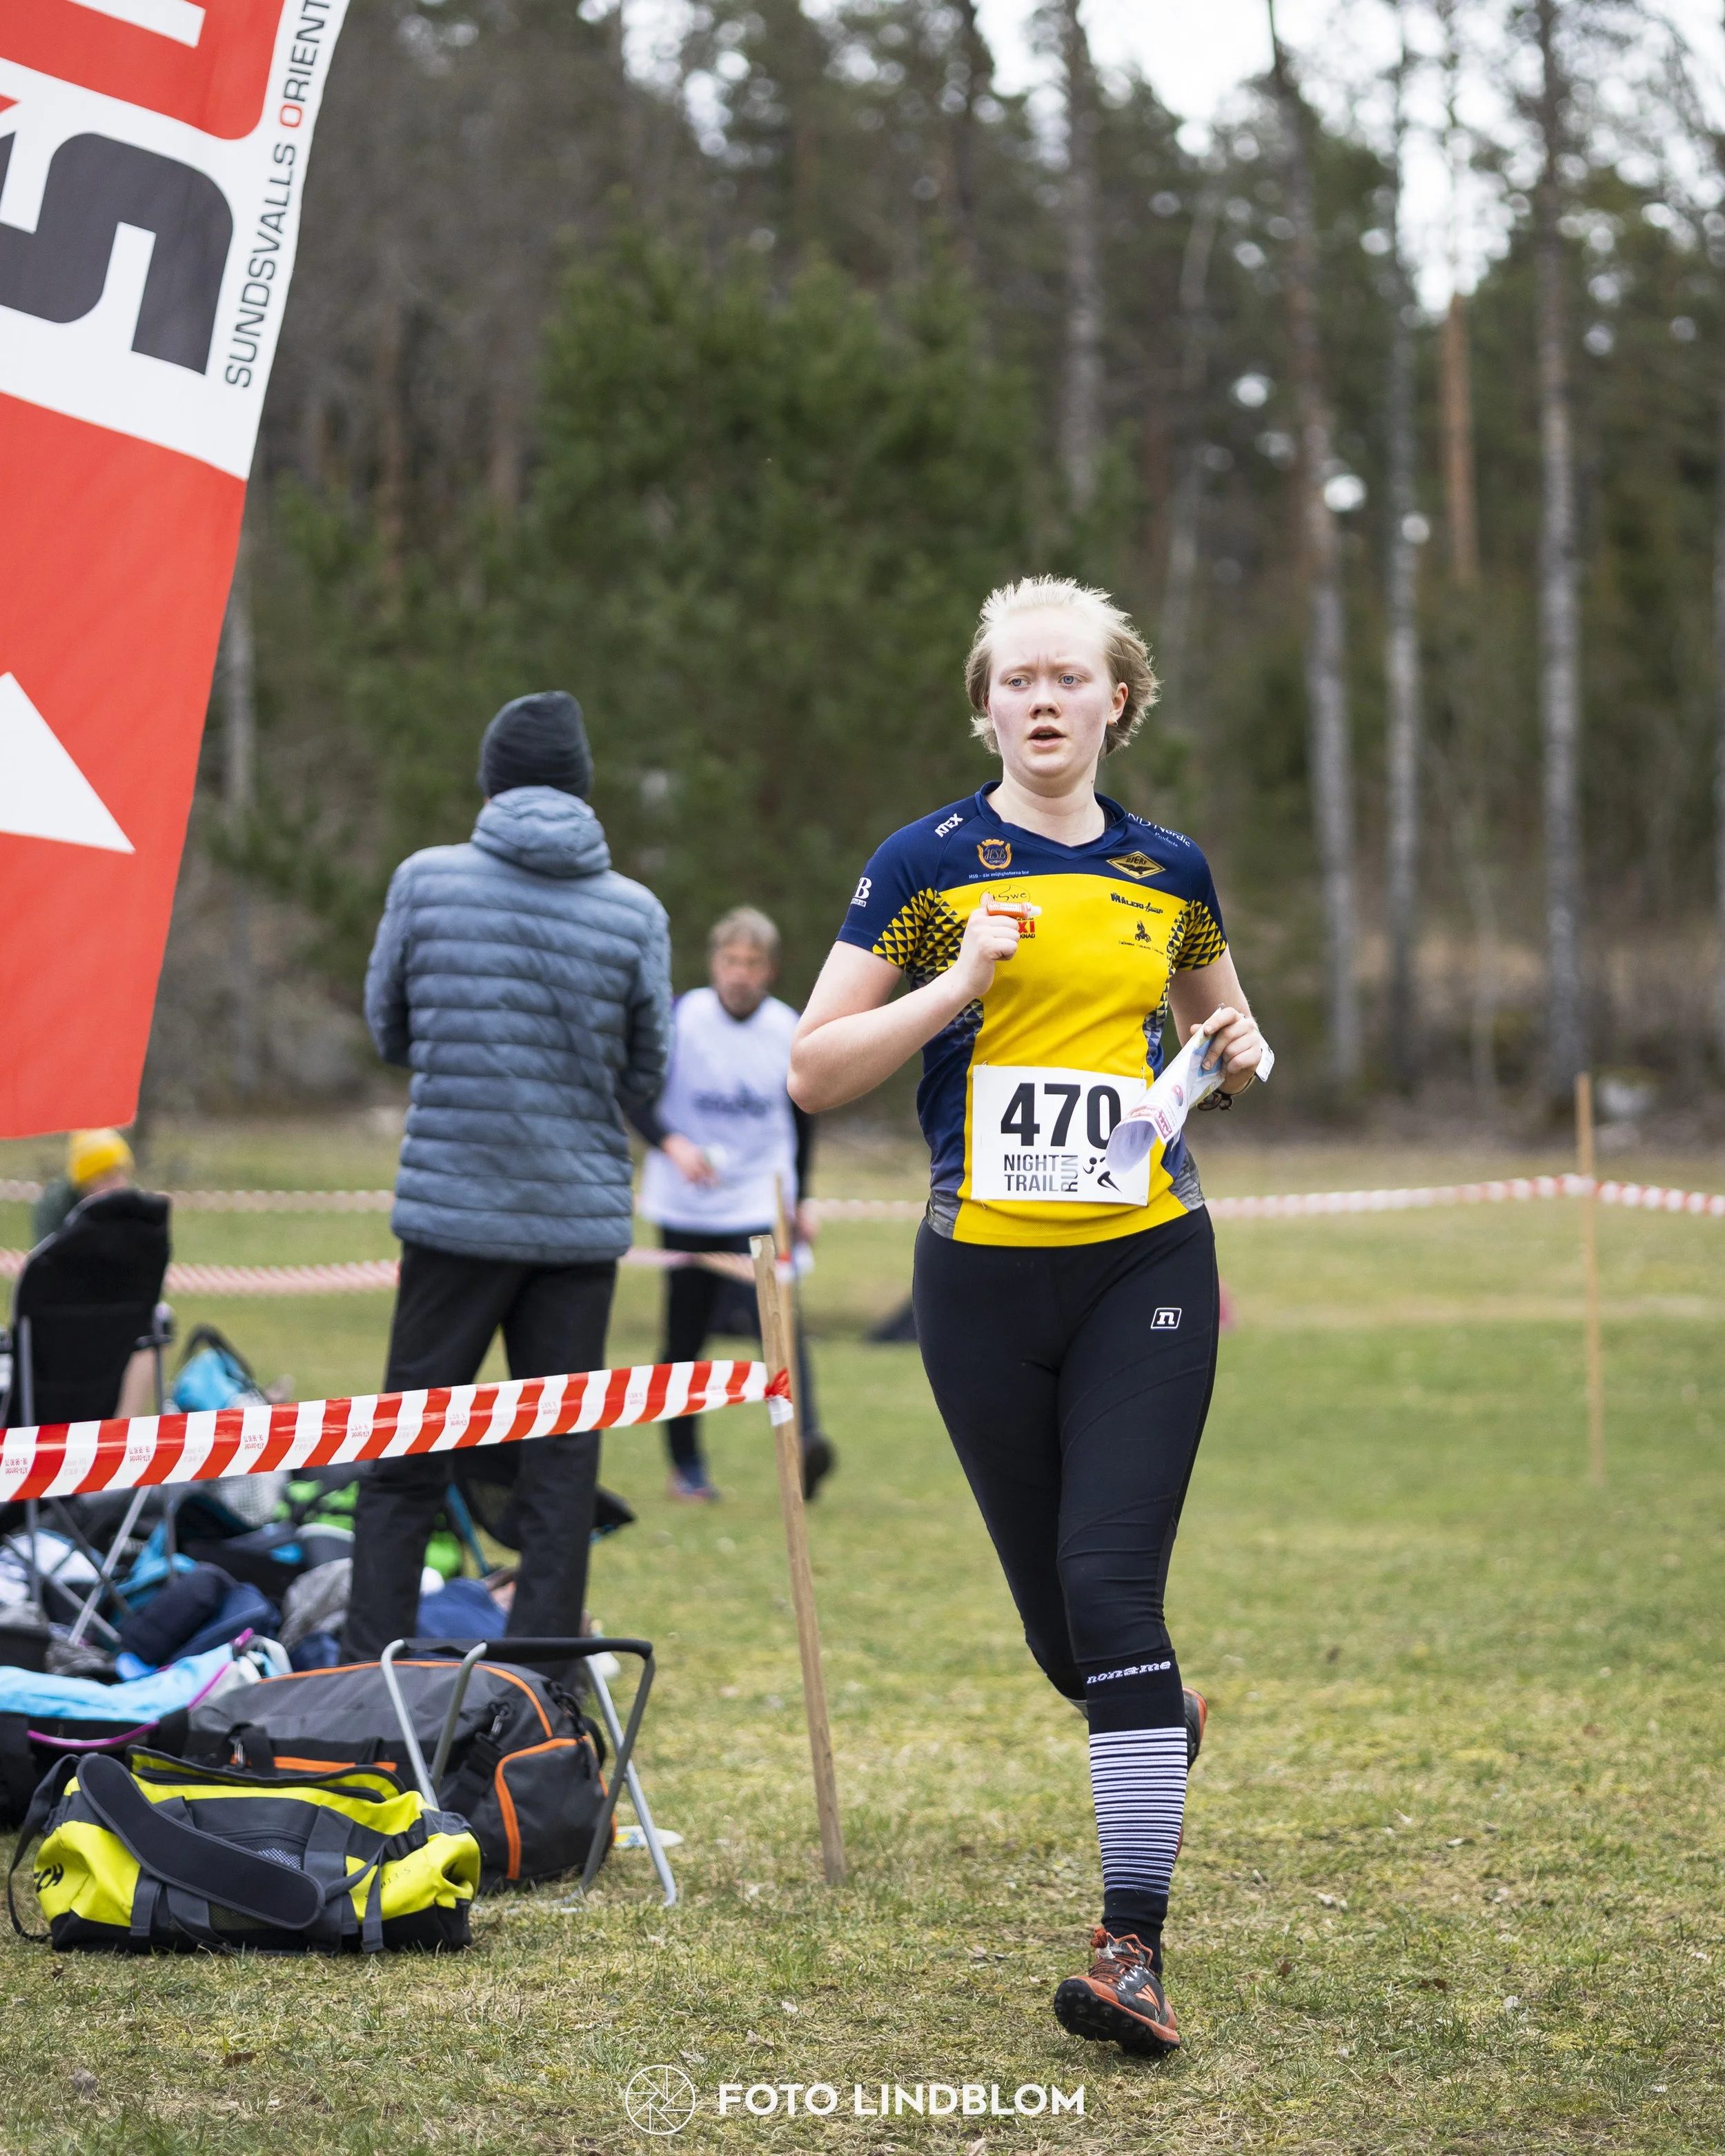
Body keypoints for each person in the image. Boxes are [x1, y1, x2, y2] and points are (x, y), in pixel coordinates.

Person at [788, 575, 1270, 2059]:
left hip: (1145, 1264)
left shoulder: (1168, 865)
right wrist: (957, 980)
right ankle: (1145, 1712)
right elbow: (812, 1068)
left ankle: (1131, 1944)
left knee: (1112, 1587)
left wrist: (1238, 1054)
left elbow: (1222, 1036)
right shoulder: (923, 865)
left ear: (1115, 699)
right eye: (1017, 680)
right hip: (978, 1279)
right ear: (985, 703)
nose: (1044, 699)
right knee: (1070, 1641)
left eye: (1071, 677)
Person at [341, 690, 672, 1660]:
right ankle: (540, 1703)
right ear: (582, 786)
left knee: (405, 1459)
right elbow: (648, 1071)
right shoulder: (635, 912)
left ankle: (369, 1683)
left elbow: (389, 1028)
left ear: (491, 780)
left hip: (452, 1218)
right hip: (576, 1228)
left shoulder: (424, 881)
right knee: (560, 1468)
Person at [633, 907, 835, 1503]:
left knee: (779, 1327)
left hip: (758, 1200)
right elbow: (637, 1094)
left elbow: (805, 1123)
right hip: (689, 1204)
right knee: (684, 1337)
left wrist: (805, 1196)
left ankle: (808, 1443)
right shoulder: (680, 1017)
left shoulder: (789, 1027)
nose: (739, 973)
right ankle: (687, 1466)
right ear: (714, 963)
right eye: (730, 960)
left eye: (752, 962)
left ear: (769, 970)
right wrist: (671, 1143)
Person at [30, 1128, 134, 1245]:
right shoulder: (58, 1205)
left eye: (122, 1174)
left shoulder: (134, 1203)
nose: (118, 1186)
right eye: (107, 1178)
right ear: (86, 1184)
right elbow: (45, 1255)